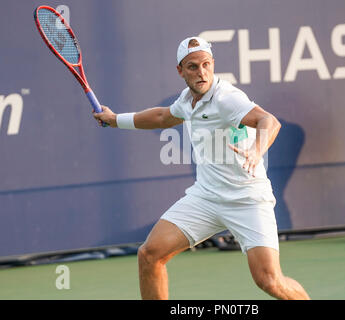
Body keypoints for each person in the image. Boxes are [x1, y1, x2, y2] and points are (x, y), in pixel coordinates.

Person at [93, 36, 310, 300]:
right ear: (180, 71)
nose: (202, 72)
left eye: (206, 64)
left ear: (213, 64)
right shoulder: (187, 99)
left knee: (269, 281)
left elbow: (269, 121)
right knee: (150, 255)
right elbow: (163, 116)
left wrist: (256, 150)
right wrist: (116, 120)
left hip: (247, 200)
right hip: (206, 198)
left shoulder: (227, 98)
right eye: (193, 66)